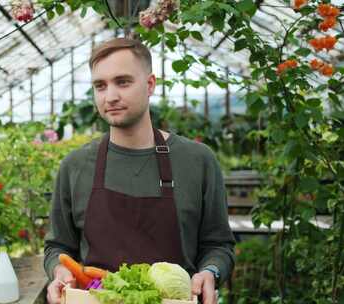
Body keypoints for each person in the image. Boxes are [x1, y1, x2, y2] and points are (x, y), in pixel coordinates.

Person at [44, 37, 235, 304]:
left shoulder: (197, 161)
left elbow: (218, 245)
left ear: (150, 85)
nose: (110, 96)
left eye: (123, 82)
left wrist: (210, 272)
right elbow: (58, 246)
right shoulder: (75, 166)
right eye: (100, 86)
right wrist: (59, 270)